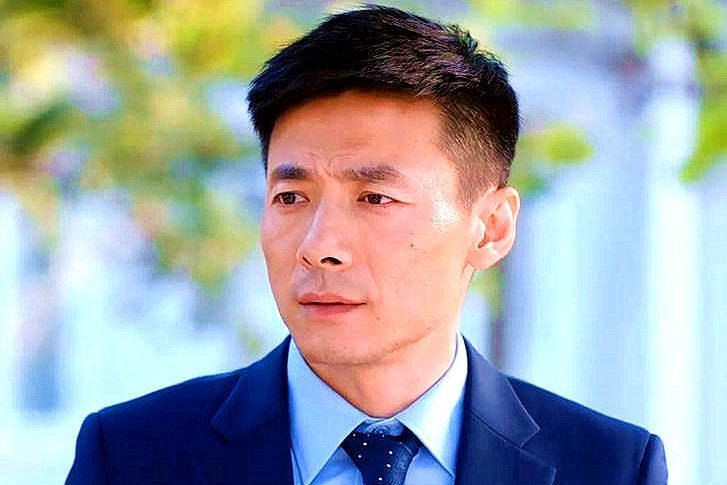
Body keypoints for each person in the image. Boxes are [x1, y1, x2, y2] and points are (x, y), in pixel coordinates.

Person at [66, 5, 667, 484]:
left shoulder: (610, 467)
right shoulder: (132, 456)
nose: (319, 247)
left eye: (375, 198)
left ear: (491, 227)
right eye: (291, 197)